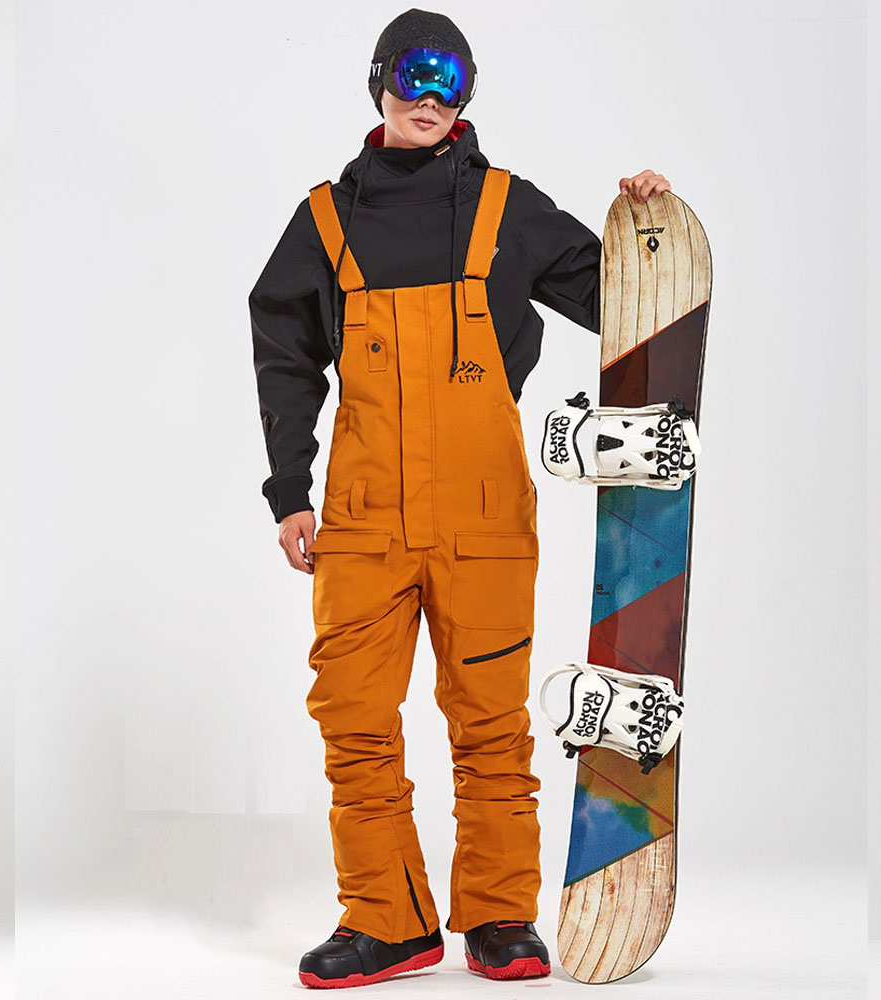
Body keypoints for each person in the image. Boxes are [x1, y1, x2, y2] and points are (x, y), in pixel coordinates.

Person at [248, 8, 671, 989]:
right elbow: (284, 354)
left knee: (489, 722)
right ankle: (387, 921)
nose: (430, 98)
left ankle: (498, 916)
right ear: (379, 82)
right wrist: (288, 489)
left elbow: (622, 301)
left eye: (451, 80)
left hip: (483, 521)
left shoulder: (505, 208)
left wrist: (648, 226)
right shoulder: (325, 219)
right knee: (354, 718)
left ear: (467, 96)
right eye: (413, 75)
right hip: (361, 521)